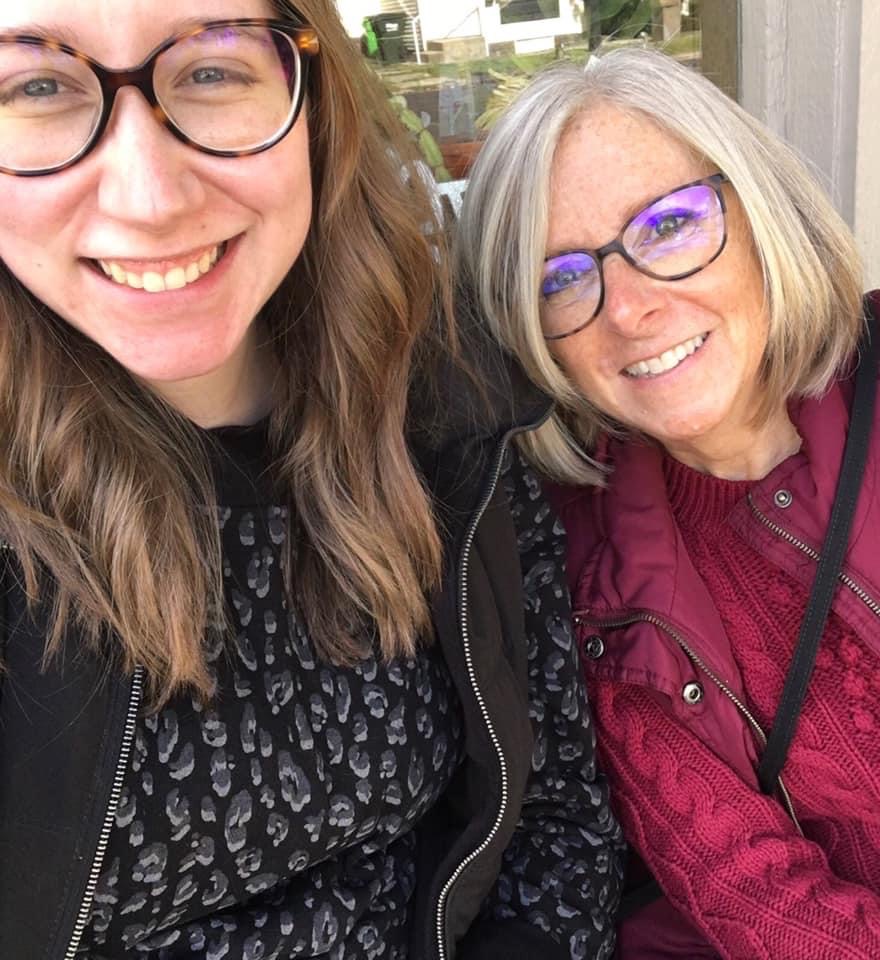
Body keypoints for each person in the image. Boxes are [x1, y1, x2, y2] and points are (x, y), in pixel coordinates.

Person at [0, 3, 625, 958]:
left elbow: (554, 818)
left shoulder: (440, 408)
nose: (150, 197)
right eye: (38, 87)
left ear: (314, 100)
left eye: (211, 71)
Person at [456, 45, 880, 960]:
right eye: (561, 278)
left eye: (669, 224)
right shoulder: (595, 586)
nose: (628, 308)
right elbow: (757, 894)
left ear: (760, 212)